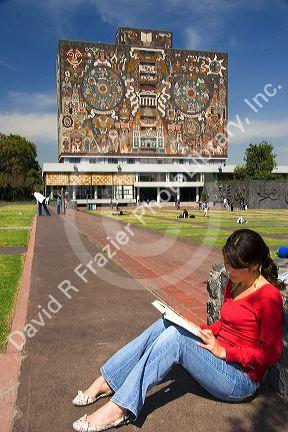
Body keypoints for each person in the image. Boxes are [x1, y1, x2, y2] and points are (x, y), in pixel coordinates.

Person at [71, 229, 284, 432]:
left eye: (235, 267)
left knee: (175, 339)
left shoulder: (268, 297)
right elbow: (227, 324)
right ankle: (109, 381)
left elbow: (271, 353)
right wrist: (201, 330)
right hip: (219, 360)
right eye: (227, 264)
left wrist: (226, 352)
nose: (229, 271)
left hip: (240, 379)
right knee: (167, 324)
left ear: (255, 265)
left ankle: (120, 408)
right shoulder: (236, 283)